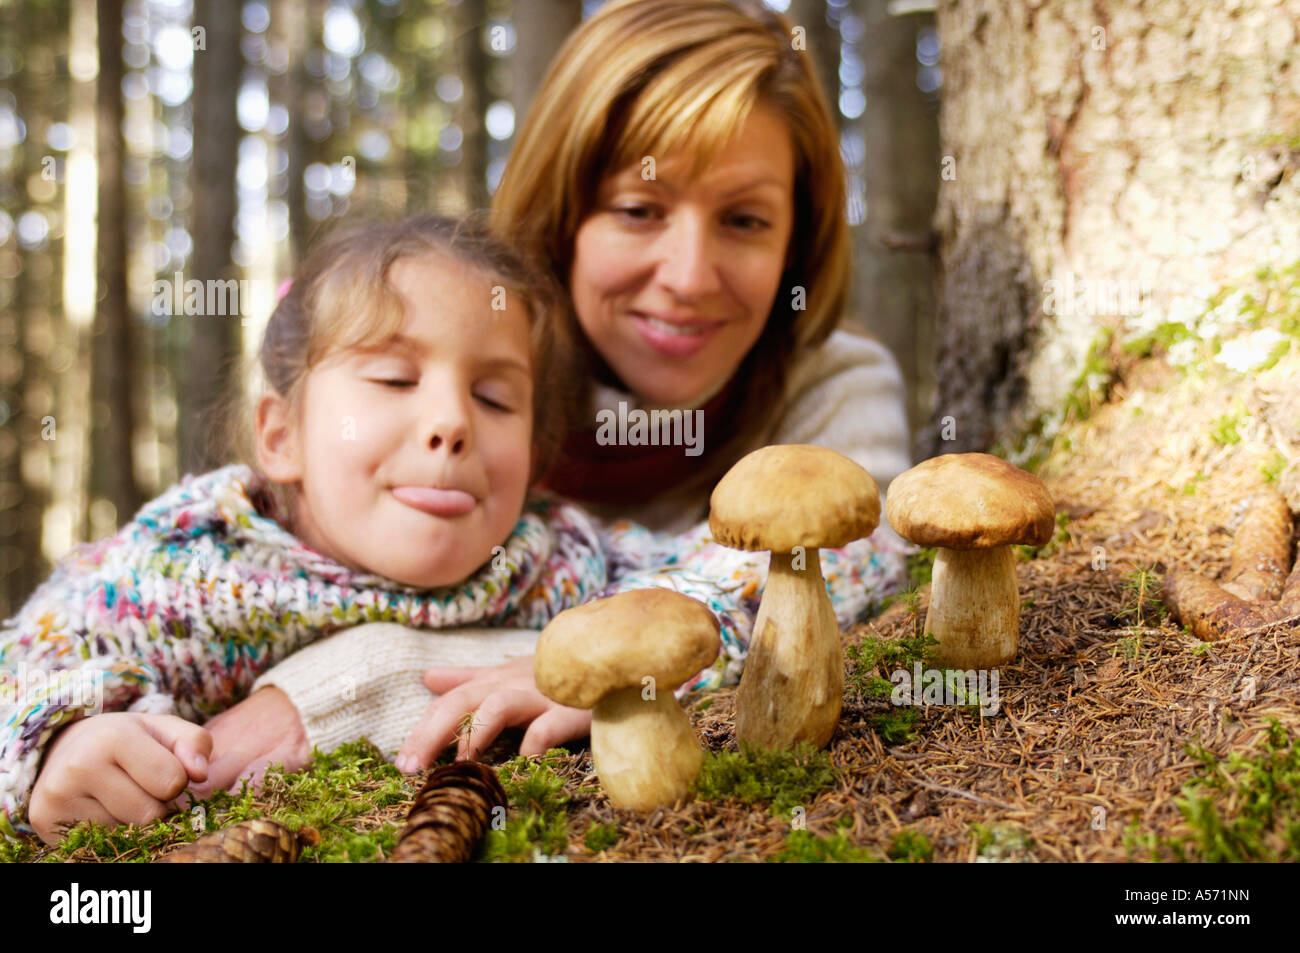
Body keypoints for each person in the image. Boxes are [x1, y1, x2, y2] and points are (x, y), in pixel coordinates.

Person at [176, 0, 915, 790]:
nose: (690, 275)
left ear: (796, 243)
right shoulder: (471, 398)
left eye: (744, 219)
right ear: (561, 216)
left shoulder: (830, 387)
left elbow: (843, 559)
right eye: (639, 209)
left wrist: (382, 672)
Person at [0, 213, 757, 845]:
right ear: (282, 435)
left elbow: (768, 567)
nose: (452, 423)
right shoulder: (189, 567)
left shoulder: (554, 558)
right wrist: (58, 738)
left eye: (494, 398)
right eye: (394, 380)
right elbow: (24, 658)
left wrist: (583, 668)